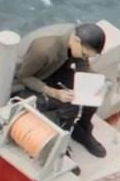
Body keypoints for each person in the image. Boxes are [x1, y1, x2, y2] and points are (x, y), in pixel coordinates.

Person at [12, 22, 108, 158]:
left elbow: (81, 63)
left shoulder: (75, 42)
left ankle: (82, 131)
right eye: (84, 54)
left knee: (91, 94)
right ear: (76, 40)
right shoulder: (44, 48)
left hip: (52, 69)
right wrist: (55, 93)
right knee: (69, 107)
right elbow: (24, 77)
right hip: (24, 83)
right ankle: (57, 144)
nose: (84, 58)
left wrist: (95, 81)